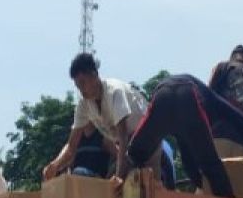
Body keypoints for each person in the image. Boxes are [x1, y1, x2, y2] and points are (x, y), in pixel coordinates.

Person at [121, 74, 243, 198]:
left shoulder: (186, 133)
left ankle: (122, 192)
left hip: (161, 97)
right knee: (211, 165)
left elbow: (188, 162)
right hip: (187, 94)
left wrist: (201, 184)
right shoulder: (213, 100)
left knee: (134, 155)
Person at [43, 53, 173, 184]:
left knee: (146, 185)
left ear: (94, 75)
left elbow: (123, 136)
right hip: (125, 144)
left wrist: (119, 177)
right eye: (78, 86)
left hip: (147, 135)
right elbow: (72, 146)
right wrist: (55, 165)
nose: (81, 90)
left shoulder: (115, 91)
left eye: (83, 83)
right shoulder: (83, 104)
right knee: (112, 187)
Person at [208, 44, 243, 157]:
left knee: (213, 175)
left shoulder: (222, 67)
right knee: (236, 175)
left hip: (219, 136)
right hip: (242, 143)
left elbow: (206, 96)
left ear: (232, 58)